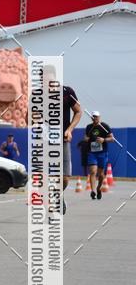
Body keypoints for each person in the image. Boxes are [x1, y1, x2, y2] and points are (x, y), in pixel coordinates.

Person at [84, 111, 114, 200]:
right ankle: (93, 191)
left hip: (102, 153)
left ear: (99, 117)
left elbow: (112, 138)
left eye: (96, 117)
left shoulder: (104, 126)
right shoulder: (89, 127)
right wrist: (87, 139)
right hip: (92, 152)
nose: (95, 118)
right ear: (91, 118)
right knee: (93, 171)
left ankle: (98, 188)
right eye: (93, 117)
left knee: (101, 174)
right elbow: (85, 138)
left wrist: (103, 139)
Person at [63, 84, 82, 214]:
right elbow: (28, 119)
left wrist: (69, 129)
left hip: (62, 139)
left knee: (65, 178)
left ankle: (58, 195)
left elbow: (78, 111)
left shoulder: (67, 92)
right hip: (44, 142)